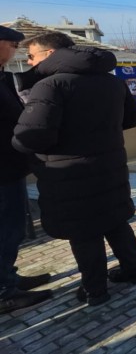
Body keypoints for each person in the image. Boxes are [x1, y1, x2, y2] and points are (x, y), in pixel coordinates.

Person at [13, 32, 136, 307]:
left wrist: (18, 139)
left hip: (69, 173)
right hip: (110, 166)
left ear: (50, 54)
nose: (29, 62)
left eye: (32, 56)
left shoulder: (49, 85)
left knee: (84, 232)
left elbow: (32, 137)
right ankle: (135, 271)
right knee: (115, 221)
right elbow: (131, 119)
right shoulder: (112, 81)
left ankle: (94, 290)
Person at [0, 26, 52, 314]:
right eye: (13, 45)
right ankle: (4, 292)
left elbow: (26, 78)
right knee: (6, 230)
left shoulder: (3, 77)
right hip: (2, 170)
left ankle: (9, 277)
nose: (16, 52)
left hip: (11, 167)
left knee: (12, 228)